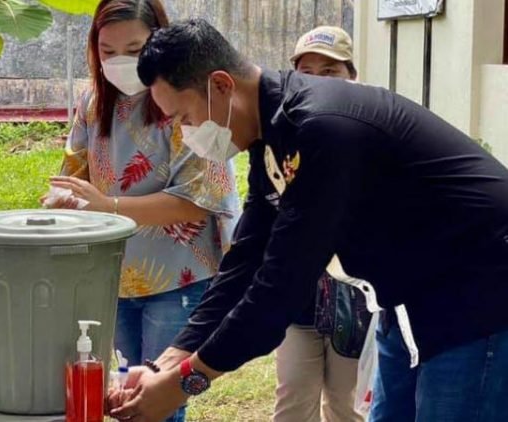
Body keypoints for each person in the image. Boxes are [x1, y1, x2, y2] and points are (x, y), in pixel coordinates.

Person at [109, 19, 508, 422]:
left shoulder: (321, 128)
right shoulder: (271, 134)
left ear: (221, 85)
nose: (186, 132)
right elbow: (247, 258)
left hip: (479, 292)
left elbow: (282, 285)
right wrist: (168, 362)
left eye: (185, 116)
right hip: (410, 296)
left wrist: (185, 383)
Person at [43, 5, 240, 422]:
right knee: (123, 393)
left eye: (134, 50)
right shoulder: (93, 103)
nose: (120, 63)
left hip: (178, 276)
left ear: (158, 41)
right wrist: (62, 200)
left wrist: (108, 206)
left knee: (160, 400)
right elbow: (73, 175)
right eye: (107, 51)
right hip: (111, 274)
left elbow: (199, 197)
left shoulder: (185, 100)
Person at [268, 26, 369, 422]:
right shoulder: (283, 135)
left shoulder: (371, 131)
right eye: (306, 72)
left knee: (349, 406)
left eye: (330, 72)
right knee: (293, 402)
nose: (317, 82)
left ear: (352, 76)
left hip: (355, 301)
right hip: (298, 298)